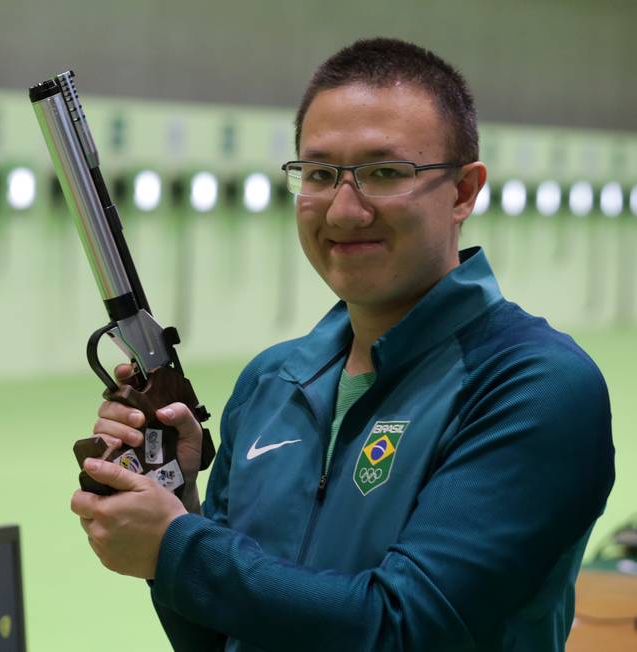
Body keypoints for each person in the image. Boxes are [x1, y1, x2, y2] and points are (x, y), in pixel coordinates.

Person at [69, 37, 615, 651]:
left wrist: (178, 548)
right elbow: (221, 639)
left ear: (463, 192)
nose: (344, 210)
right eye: (321, 174)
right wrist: (172, 502)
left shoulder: (534, 385)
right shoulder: (271, 382)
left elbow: (403, 628)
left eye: (384, 173)